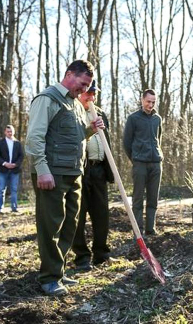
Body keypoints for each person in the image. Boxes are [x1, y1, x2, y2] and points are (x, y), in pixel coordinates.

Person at [26, 60, 104, 296]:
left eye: (87, 85)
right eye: (82, 84)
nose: (84, 90)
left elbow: (76, 135)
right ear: (69, 74)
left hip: (74, 173)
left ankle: (58, 272)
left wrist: (91, 129)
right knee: (51, 226)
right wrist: (42, 169)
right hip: (52, 173)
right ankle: (48, 278)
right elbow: (34, 138)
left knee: (70, 225)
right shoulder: (47, 99)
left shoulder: (76, 104)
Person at [72, 81, 115, 271]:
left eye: (94, 94)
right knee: (78, 216)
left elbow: (107, 141)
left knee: (101, 214)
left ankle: (101, 254)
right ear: (80, 93)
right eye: (88, 94)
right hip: (81, 170)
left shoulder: (100, 113)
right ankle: (81, 257)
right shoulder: (72, 111)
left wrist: (110, 171)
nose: (91, 98)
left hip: (98, 170)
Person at [123, 89, 163, 236]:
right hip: (140, 163)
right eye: (148, 101)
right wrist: (135, 159)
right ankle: (138, 229)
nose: (150, 104)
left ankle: (150, 229)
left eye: (153, 102)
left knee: (153, 198)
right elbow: (127, 142)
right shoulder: (133, 118)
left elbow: (158, 139)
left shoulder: (157, 118)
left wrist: (158, 154)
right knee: (138, 197)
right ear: (142, 100)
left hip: (156, 163)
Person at [0, 125, 24, 213]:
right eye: (8, 131)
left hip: (15, 170)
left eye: (11, 131)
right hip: (2, 170)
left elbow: (21, 156)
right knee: (1, 190)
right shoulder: (0, 143)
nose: (10, 133)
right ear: (5, 132)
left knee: (14, 189)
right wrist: (5, 163)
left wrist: (15, 164)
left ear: (13, 132)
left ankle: (14, 208)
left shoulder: (17, 143)